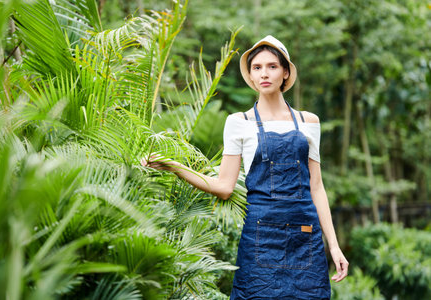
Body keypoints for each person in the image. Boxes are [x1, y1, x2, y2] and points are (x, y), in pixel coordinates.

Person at [142, 35, 348, 299]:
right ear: (250, 75)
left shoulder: (309, 122)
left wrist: (334, 246)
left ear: (285, 72)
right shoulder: (238, 122)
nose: (264, 73)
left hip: (304, 238)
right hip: (260, 238)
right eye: (257, 67)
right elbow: (224, 187)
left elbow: (316, 187)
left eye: (272, 66)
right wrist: (174, 167)